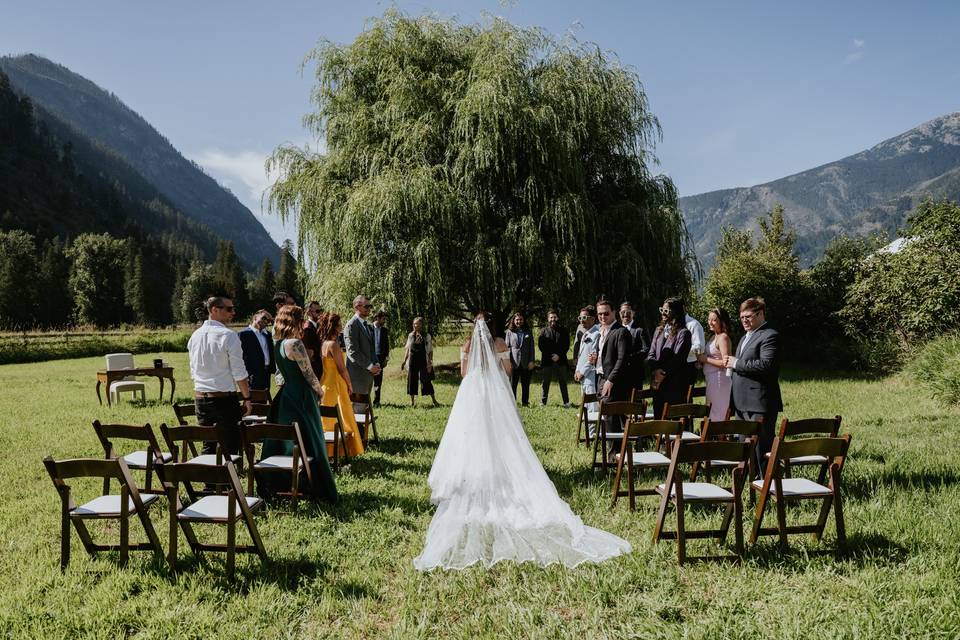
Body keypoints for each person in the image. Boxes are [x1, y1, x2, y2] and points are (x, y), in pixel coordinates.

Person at [413, 314, 631, 570]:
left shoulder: (466, 346)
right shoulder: (500, 345)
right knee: (502, 436)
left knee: (470, 437)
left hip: (471, 393)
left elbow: (463, 373)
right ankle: (502, 474)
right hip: (494, 393)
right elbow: (506, 370)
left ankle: (476, 476)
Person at [261, 304, 338, 502]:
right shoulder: (295, 343)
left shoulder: (277, 343)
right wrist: (319, 390)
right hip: (302, 394)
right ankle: (318, 486)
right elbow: (308, 372)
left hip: (286, 395)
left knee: (289, 440)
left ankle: (287, 483)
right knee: (312, 435)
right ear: (295, 320)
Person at [724, 297, 782, 474]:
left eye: (748, 316)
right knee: (745, 448)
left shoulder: (769, 335)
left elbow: (766, 365)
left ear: (760, 313)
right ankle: (750, 486)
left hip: (759, 403)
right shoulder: (744, 338)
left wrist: (736, 364)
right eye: (741, 317)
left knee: (761, 449)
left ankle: (769, 486)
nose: (744, 321)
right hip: (741, 402)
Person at [187, 296, 251, 455]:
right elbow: (239, 372)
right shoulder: (229, 335)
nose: (233, 313)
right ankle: (226, 479)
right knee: (230, 445)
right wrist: (247, 398)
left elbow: (193, 370)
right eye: (229, 309)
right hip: (223, 400)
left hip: (201, 399)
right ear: (214, 310)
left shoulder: (194, 336)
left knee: (209, 444)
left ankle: (210, 479)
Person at [316, 312, 365, 457]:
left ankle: (328, 451)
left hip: (325, 383)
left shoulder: (323, 344)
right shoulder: (333, 345)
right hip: (336, 384)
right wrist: (350, 384)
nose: (341, 326)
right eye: (339, 324)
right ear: (335, 326)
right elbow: (342, 369)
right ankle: (344, 451)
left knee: (327, 420)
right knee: (343, 416)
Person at [589, 299, 632, 461]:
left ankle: (614, 456)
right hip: (600, 377)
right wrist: (595, 360)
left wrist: (610, 380)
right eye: (599, 314)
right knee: (612, 417)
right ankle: (620, 453)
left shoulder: (621, 332)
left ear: (614, 312)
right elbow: (605, 356)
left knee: (611, 417)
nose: (602, 316)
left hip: (614, 381)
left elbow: (622, 359)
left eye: (606, 313)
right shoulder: (601, 331)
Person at [647, 297, 692, 421]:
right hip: (657, 385)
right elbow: (651, 354)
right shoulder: (658, 330)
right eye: (662, 310)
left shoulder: (683, 333)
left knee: (675, 423)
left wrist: (662, 373)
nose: (663, 313)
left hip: (674, 385)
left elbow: (679, 359)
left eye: (666, 311)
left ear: (676, 312)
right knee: (659, 421)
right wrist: (656, 372)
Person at [343, 294, 382, 408]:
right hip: (357, 377)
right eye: (367, 306)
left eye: (370, 306)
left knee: (364, 410)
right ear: (357, 307)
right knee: (357, 411)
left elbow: (371, 348)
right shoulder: (351, 325)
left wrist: (376, 364)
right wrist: (370, 366)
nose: (369, 309)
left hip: (368, 375)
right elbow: (353, 352)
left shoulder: (367, 325)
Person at [697, 308, 734, 422]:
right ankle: (712, 435)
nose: (710, 322)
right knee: (711, 410)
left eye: (714, 320)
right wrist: (701, 363)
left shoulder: (723, 337)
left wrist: (705, 359)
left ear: (722, 321)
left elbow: (725, 362)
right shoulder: (713, 337)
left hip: (720, 380)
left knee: (718, 411)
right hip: (711, 380)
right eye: (709, 319)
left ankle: (719, 436)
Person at [401, 317, 439, 407]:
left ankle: (434, 400)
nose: (415, 325)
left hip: (423, 360)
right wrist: (404, 361)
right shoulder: (411, 335)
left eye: (417, 324)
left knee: (426, 380)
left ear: (421, 325)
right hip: (413, 360)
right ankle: (412, 402)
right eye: (414, 324)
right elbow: (408, 349)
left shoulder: (427, 336)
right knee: (412, 380)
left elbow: (430, 351)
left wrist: (430, 362)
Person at [574, 306, 600, 435]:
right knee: (584, 404)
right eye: (580, 318)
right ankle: (588, 434)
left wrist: (582, 372)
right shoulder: (585, 333)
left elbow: (593, 357)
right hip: (583, 376)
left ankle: (593, 435)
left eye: (584, 318)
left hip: (590, 375)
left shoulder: (597, 334)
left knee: (592, 407)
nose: (582, 321)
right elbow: (581, 355)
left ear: (593, 319)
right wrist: (577, 371)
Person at [538, 309, 571, 407]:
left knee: (563, 382)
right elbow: (541, 346)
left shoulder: (564, 331)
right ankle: (543, 402)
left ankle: (566, 402)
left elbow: (566, 345)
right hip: (547, 360)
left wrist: (558, 356)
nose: (553, 319)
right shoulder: (543, 331)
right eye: (551, 317)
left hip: (561, 360)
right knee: (545, 382)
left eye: (555, 317)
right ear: (548, 319)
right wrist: (551, 356)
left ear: (558, 318)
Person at [238, 309, 275, 391]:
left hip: (266, 372)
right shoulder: (244, 334)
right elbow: (240, 355)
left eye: (268, 320)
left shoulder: (268, 335)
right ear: (255, 317)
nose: (266, 321)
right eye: (264, 318)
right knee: (252, 400)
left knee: (264, 400)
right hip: (251, 373)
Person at [505, 311, 535, 406]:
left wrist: (531, 361)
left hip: (525, 362)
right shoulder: (509, 332)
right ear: (513, 321)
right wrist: (508, 362)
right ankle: (512, 403)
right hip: (514, 362)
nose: (519, 321)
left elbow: (532, 348)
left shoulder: (528, 332)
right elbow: (506, 348)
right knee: (513, 384)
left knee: (525, 385)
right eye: (517, 320)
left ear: (524, 320)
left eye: (521, 319)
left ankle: (525, 403)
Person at [619, 301, 651, 391]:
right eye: (623, 312)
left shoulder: (639, 330)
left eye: (628, 312)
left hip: (635, 373)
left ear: (633, 313)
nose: (625, 315)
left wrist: (630, 358)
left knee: (635, 402)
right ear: (619, 313)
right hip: (619, 373)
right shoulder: (616, 329)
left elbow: (646, 349)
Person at [301, 301, 324, 381]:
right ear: (309, 312)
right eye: (317, 311)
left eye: (321, 310)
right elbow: (308, 352)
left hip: (320, 365)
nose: (320, 313)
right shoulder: (307, 329)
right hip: (314, 367)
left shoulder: (318, 326)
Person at [685, 308, 706, 392]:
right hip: (674, 365)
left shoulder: (693, 324)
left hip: (688, 365)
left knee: (686, 398)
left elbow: (699, 347)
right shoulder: (670, 325)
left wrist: (681, 351)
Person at [372, 310, 390, 407]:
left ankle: (376, 401)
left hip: (381, 359)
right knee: (368, 381)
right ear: (377, 318)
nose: (384, 320)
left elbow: (387, 345)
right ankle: (366, 401)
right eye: (383, 319)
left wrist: (386, 358)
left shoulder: (384, 330)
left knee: (378, 381)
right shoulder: (369, 328)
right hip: (370, 359)